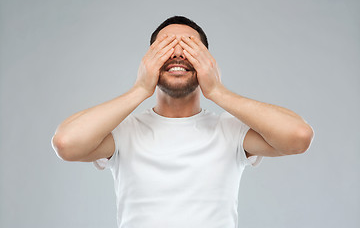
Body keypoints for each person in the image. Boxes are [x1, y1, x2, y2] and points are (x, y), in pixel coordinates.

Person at [51, 16, 314, 228]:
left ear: (207, 62)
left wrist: (218, 91)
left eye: (190, 47)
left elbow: (299, 136)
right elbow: (66, 143)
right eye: (165, 48)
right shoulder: (124, 131)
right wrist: (140, 89)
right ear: (149, 61)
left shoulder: (230, 130)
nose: (177, 54)